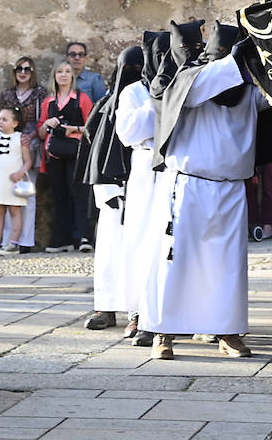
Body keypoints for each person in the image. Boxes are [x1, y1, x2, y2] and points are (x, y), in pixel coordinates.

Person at [143, 21, 265, 361]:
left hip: (230, 188)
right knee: (175, 259)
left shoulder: (246, 89)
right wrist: (236, 58)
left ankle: (228, 331)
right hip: (189, 184)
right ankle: (163, 332)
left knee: (227, 266)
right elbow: (202, 86)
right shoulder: (191, 80)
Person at [79, 46, 144, 329]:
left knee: (139, 253)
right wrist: (105, 190)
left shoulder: (148, 101)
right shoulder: (104, 106)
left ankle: (138, 310)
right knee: (108, 252)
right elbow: (92, 150)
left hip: (142, 189)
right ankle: (105, 308)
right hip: (112, 192)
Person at [115, 32, 163, 346]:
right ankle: (138, 310)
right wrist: (158, 103)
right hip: (146, 167)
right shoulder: (133, 91)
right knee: (141, 239)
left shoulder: (183, 83)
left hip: (177, 166)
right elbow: (129, 131)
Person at [38, 60, 93, 253]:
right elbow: (41, 134)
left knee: (78, 194)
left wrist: (73, 129)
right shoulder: (48, 102)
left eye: (67, 71)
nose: (63, 75)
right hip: (54, 154)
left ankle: (85, 237)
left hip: (76, 152)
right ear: (54, 75)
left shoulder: (82, 99)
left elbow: (92, 128)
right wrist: (47, 124)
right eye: (59, 71)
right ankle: (62, 239)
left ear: (73, 76)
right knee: (59, 197)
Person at [0, 57, 46, 253]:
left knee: (27, 194)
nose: (23, 72)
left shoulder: (40, 93)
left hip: (29, 145)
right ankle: (9, 240)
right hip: (9, 148)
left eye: (27, 69)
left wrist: (31, 136)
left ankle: (25, 240)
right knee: (8, 195)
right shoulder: (7, 94)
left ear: (32, 72)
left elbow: (42, 119)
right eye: (19, 69)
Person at [0, 107, 32, 256]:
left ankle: (13, 243)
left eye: (5, 119)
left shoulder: (20, 138)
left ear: (15, 123)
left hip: (14, 180)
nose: (0, 122)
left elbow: (28, 161)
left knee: (15, 210)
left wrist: (20, 173)